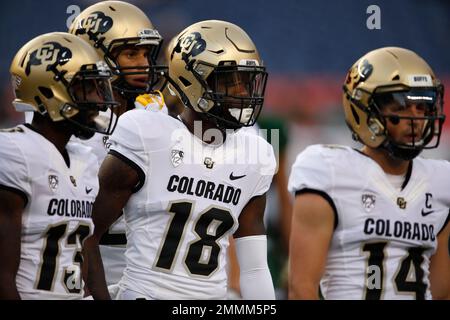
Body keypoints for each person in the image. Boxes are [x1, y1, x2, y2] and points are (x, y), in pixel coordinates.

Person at [82, 20, 277, 300]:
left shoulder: (255, 153)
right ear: (192, 81)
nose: (243, 92)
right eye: (230, 81)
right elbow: (87, 234)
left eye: (246, 80)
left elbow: (255, 269)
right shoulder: (147, 132)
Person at [288, 47, 450, 300]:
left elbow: (441, 292)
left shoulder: (441, 182)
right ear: (366, 111)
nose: (416, 119)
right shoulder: (328, 170)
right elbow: (301, 289)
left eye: (423, 107)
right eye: (402, 106)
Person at [0, 32, 117, 299]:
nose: (99, 102)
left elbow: (83, 252)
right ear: (49, 92)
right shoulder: (14, 153)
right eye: (87, 88)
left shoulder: (84, 160)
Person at [68, 0, 168, 288]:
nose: (144, 64)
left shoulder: (156, 117)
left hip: (146, 280)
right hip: (79, 278)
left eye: (147, 54)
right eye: (130, 53)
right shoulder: (72, 129)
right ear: (94, 57)